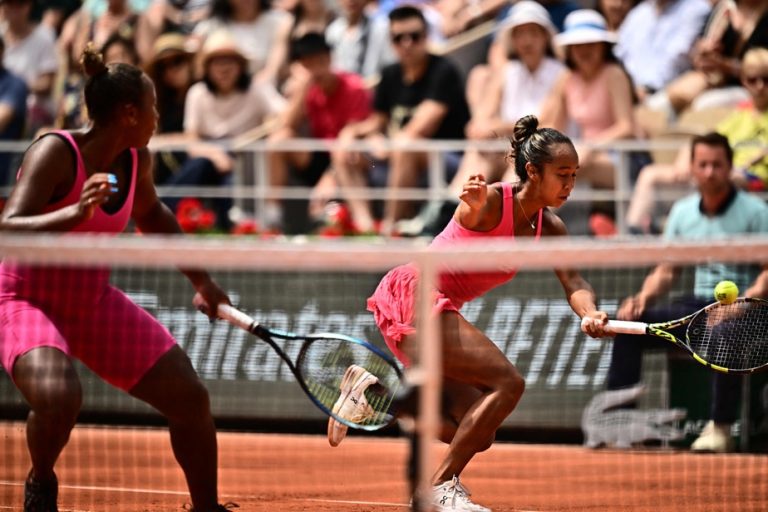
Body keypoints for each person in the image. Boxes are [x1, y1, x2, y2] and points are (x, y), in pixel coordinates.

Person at [0, 45, 235, 511]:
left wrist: (202, 281)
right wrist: (75, 212)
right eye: (153, 106)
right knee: (59, 397)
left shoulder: (136, 160)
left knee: (189, 397)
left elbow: (154, 215)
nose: (158, 116)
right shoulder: (55, 151)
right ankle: (41, 479)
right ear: (130, 112)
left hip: (90, 302)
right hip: (23, 298)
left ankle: (207, 509)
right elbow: (7, 226)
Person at [362, 115, 610, 510]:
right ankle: (438, 489)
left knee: (476, 428)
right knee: (508, 383)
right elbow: (469, 216)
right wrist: (472, 206)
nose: (569, 185)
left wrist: (591, 312)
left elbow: (574, 282)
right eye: (561, 174)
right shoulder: (492, 201)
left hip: (434, 307)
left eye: (574, 175)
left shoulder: (552, 228)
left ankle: (375, 398)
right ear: (533, 171)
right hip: (416, 294)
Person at [607, 132, 768, 453]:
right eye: (703, 165)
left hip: (750, 308)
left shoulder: (756, 211)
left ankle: (720, 428)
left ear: (729, 167)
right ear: (693, 168)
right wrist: (642, 298)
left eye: (717, 165)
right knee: (629, 329)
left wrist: (738, 306)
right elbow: (667, 270)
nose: (710, 172)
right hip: (698, 303)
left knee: (723, 332)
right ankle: (619, 423)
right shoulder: (682, 213)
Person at [332, 4, 470, 235]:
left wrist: (386, 142)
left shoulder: (444, 71)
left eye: (414, 37)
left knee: (406, 145)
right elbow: (378, 120)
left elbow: (421, 127)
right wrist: (353, 133)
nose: (406, 44)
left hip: (445, 159)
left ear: (426, 37)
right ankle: (366, 227)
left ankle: (389, 228)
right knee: (343, 150)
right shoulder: (390, 73)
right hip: (396, 154)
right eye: (399, 38)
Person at [625, 47, 768, 235]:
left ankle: (672, 228)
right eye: (752, 79)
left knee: (716, 177)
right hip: (724, 171)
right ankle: (633, 235)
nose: (759, 86)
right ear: (743, 81)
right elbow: (709, 140)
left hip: (753, 179)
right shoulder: (740, 113)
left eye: (766, 79)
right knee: (650, 174)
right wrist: (686, 159)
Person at [266, 32, 372, 233]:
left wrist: (330, 176)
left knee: (344, 152)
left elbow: (353, 136)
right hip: (321, 156)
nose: (317, 69)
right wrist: (303, 87)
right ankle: (273, 219)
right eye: (309, 64)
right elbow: (285, 126)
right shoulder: (306, 88)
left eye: (321, 62)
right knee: (279, 140)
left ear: (331, 58)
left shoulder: (354, 86)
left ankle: (364, 226)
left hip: (358, 158)